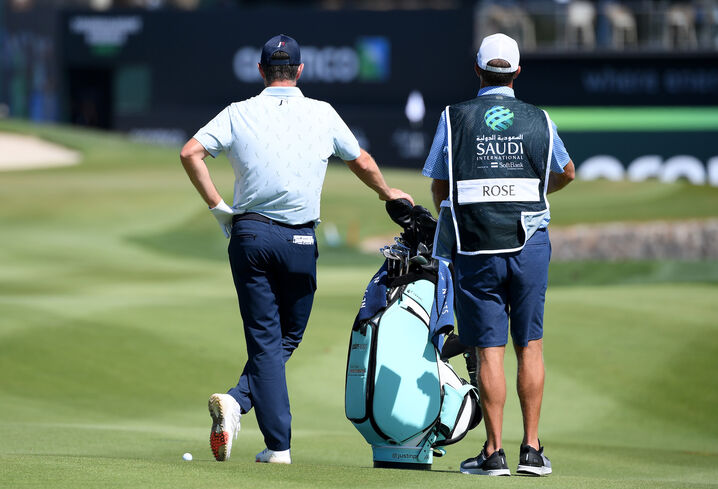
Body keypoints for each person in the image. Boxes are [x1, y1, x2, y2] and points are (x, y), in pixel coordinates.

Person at [179, 34, 412, 465]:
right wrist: (386, 192)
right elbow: (359, 159)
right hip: (301, 241)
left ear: (261, 70)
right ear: (300, 71)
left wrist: (218, 209)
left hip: (249, 236)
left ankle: (236, 404)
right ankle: (277, 445)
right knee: (285, 337)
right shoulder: (322, 112)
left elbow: (191, 152)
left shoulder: (238, 112)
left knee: (271, 339)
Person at [422, 33, 575, 476]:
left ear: (477, 71)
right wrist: (530, 195)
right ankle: (531, 450)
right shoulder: (539, 118)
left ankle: (494, 452)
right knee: (530, 345)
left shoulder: (455, 117)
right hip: (530, 244)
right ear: (517, 73)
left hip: (476, 247)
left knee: (489, 352)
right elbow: (566, 171)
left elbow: (438, 186)